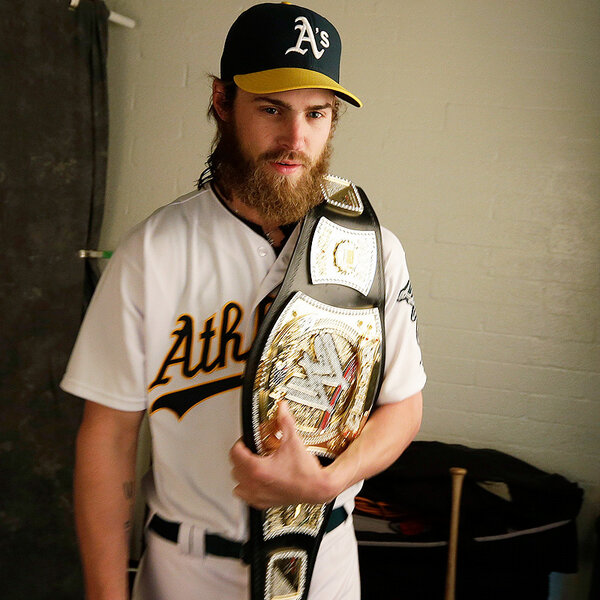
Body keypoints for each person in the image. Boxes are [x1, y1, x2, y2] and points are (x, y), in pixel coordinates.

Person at [61, 3, 426, 599]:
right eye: (271, 108)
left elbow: (404, 408)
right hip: (189, 568)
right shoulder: (154, 251)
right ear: (222, 102)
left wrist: (331, 478)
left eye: (317, 113)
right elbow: (106, 438)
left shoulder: (373, 248)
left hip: (325, 562)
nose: (296, 138)